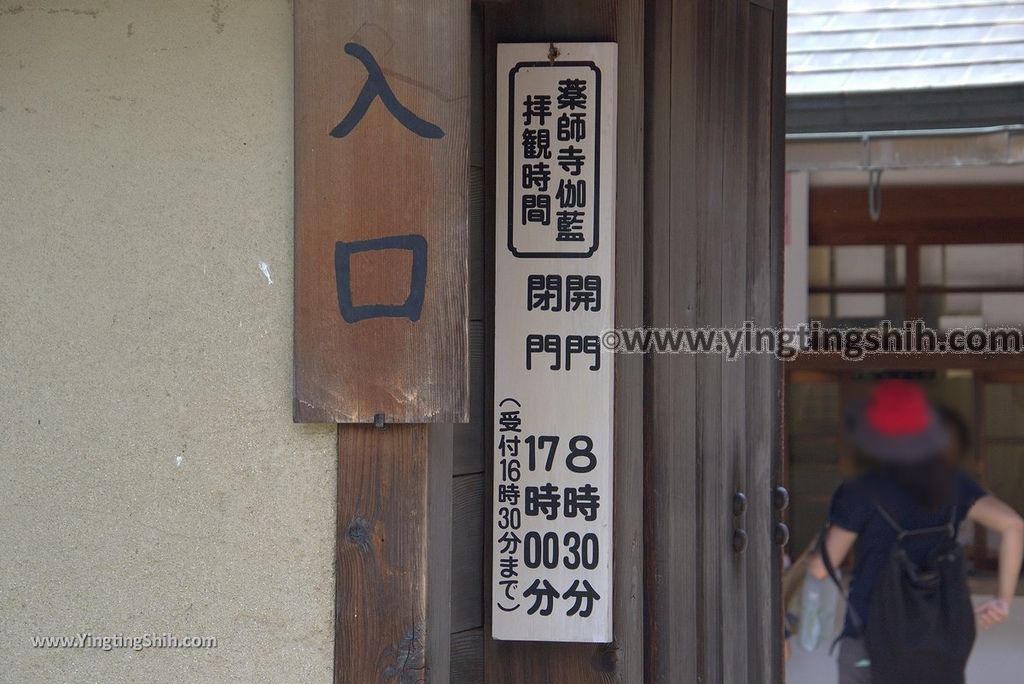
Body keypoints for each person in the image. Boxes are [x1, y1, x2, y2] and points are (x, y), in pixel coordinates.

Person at [808, 380, 1024, 684]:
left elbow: (821, 568)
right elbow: (1013, 524)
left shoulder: (860, 491)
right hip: (941, 639)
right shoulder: (953, 483)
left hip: (871, 636)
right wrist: (1003, 600)